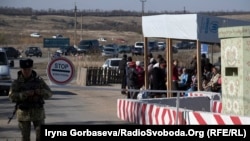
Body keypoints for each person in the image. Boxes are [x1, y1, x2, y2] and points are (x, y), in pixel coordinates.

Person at [8, 58, 53, 141]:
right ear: (21, 69)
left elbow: (49, 94)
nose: (27, 71)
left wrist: (41, 92)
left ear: (32, 69)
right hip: (23, 114)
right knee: (25, 138)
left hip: (38, 113)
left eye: (29, 69)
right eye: (25, 69)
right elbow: (11, 97)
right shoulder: (16, 83)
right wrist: (25, 94)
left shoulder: (39, 81)